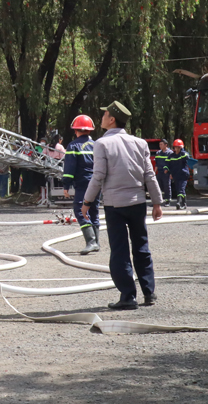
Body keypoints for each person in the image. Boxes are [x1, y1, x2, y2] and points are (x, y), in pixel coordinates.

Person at [82, 101, 163, 310]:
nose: (102, 118)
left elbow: (98, 176)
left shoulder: (101, 144)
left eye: (105, 114)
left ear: (112, 119)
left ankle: (128, 296)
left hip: (114, 205)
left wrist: (87, 202)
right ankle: (149, 292)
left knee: (119, 250)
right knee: (141, 247)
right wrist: (157, 203)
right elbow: (149, 175)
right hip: (138, 202)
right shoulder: (140, 143)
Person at [61, 115, 99, 254]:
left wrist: (66, 185)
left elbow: (69, 168)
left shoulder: (73, 145)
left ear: (76, 130)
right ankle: (96, 242)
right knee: (94, 210)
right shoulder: (97, 145)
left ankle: (91, 241)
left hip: (83, 183)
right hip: (97, 182)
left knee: (79, 209)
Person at [166, 139, 192, 210]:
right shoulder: (171, 156)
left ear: (181, 147)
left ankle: (179, 203)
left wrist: (182, 150)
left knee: (181, 189)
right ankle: (183, 203)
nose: (177, 149)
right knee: (179, 190)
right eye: (175, 147)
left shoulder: (183, 154)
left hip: (183, 175)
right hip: (176, 175)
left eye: (178, 147)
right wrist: (168, 171)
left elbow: (187, 156)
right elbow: (167, 164)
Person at [39, 132, 65, 205]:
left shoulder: (47, 146)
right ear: (59, 140)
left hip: (49, 164)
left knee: (50, 181)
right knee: (58, 180)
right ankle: (58, 197)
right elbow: (63, 156)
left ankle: (50, 197)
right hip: (58, 164)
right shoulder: (60, 147)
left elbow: (43, 155)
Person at [154, 140, 172, 206]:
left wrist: (169, 171)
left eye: (161, 144)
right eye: (159, 144)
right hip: (160, 172)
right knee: (158, 186)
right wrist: (154, 172)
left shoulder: (170, 153)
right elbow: (156, 164)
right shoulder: (158, 153)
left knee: (167, 186)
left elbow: (171, 163)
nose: (160, 146)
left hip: (166, 173)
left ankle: (167, 201)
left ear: (165, 145)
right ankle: (158, 201)